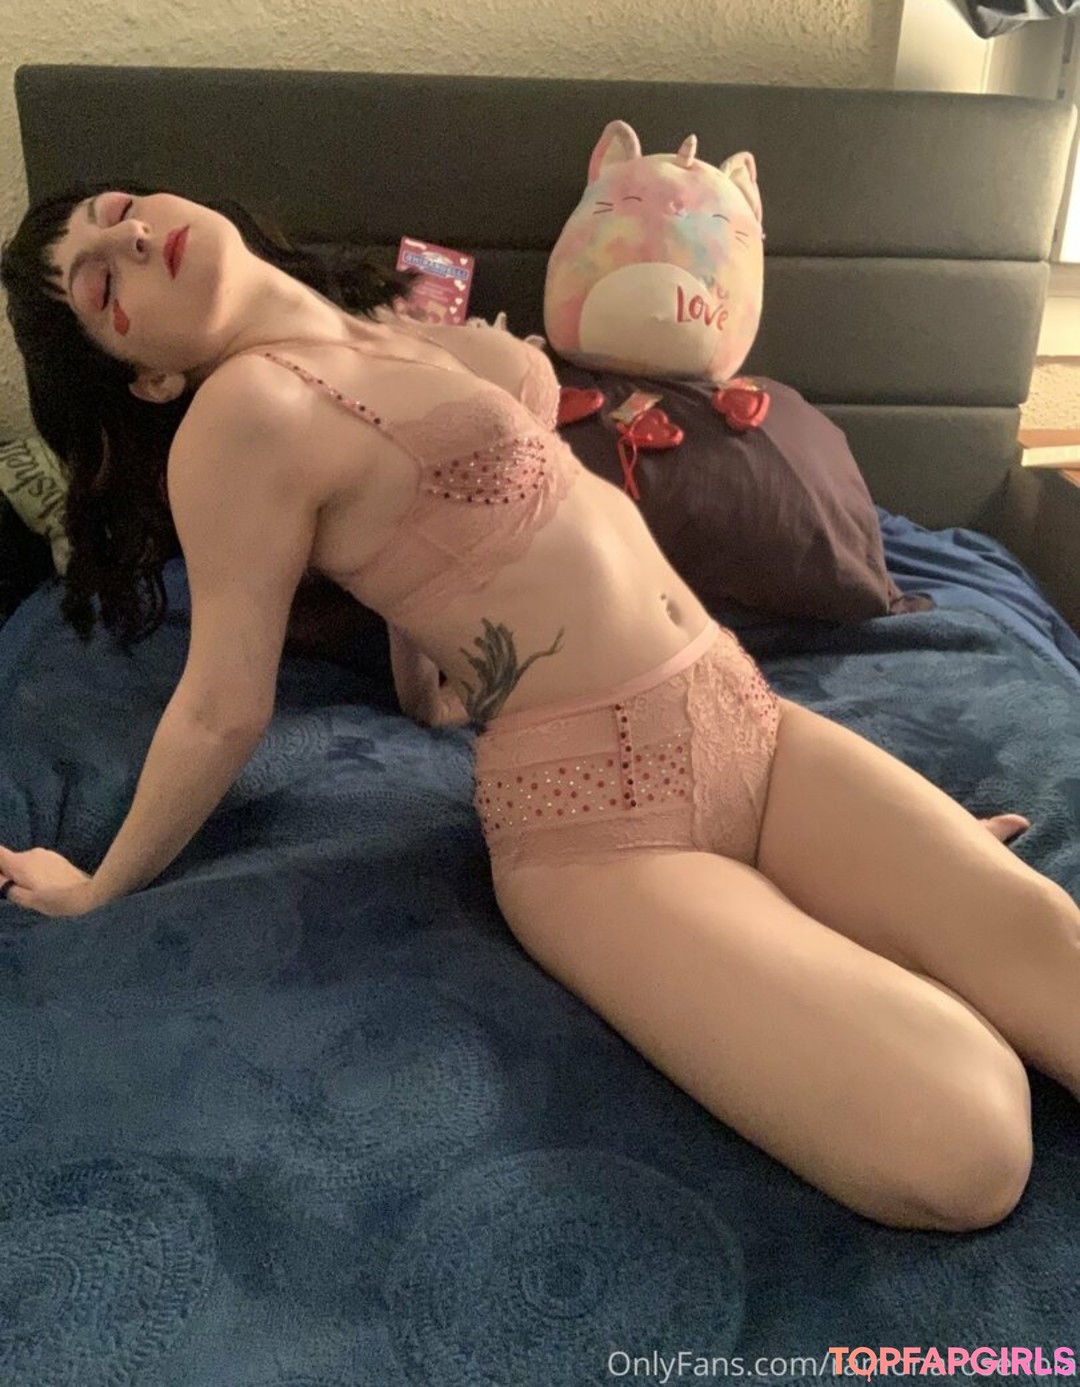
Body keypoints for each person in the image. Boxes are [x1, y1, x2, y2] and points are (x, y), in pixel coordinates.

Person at [0, 186, 1076, 1234]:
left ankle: (833, 922)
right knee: (971, 1141)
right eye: (101, 286)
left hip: (745, 714)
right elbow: (221, 705)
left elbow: (423, 548)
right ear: (149, 379)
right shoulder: (239, 417)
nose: (131, 239)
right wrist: (99, 887)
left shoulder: (397, 333)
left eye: (118, 212)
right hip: (600, 828)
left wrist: (430, 694)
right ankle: (837, 942)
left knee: (1054, 951)